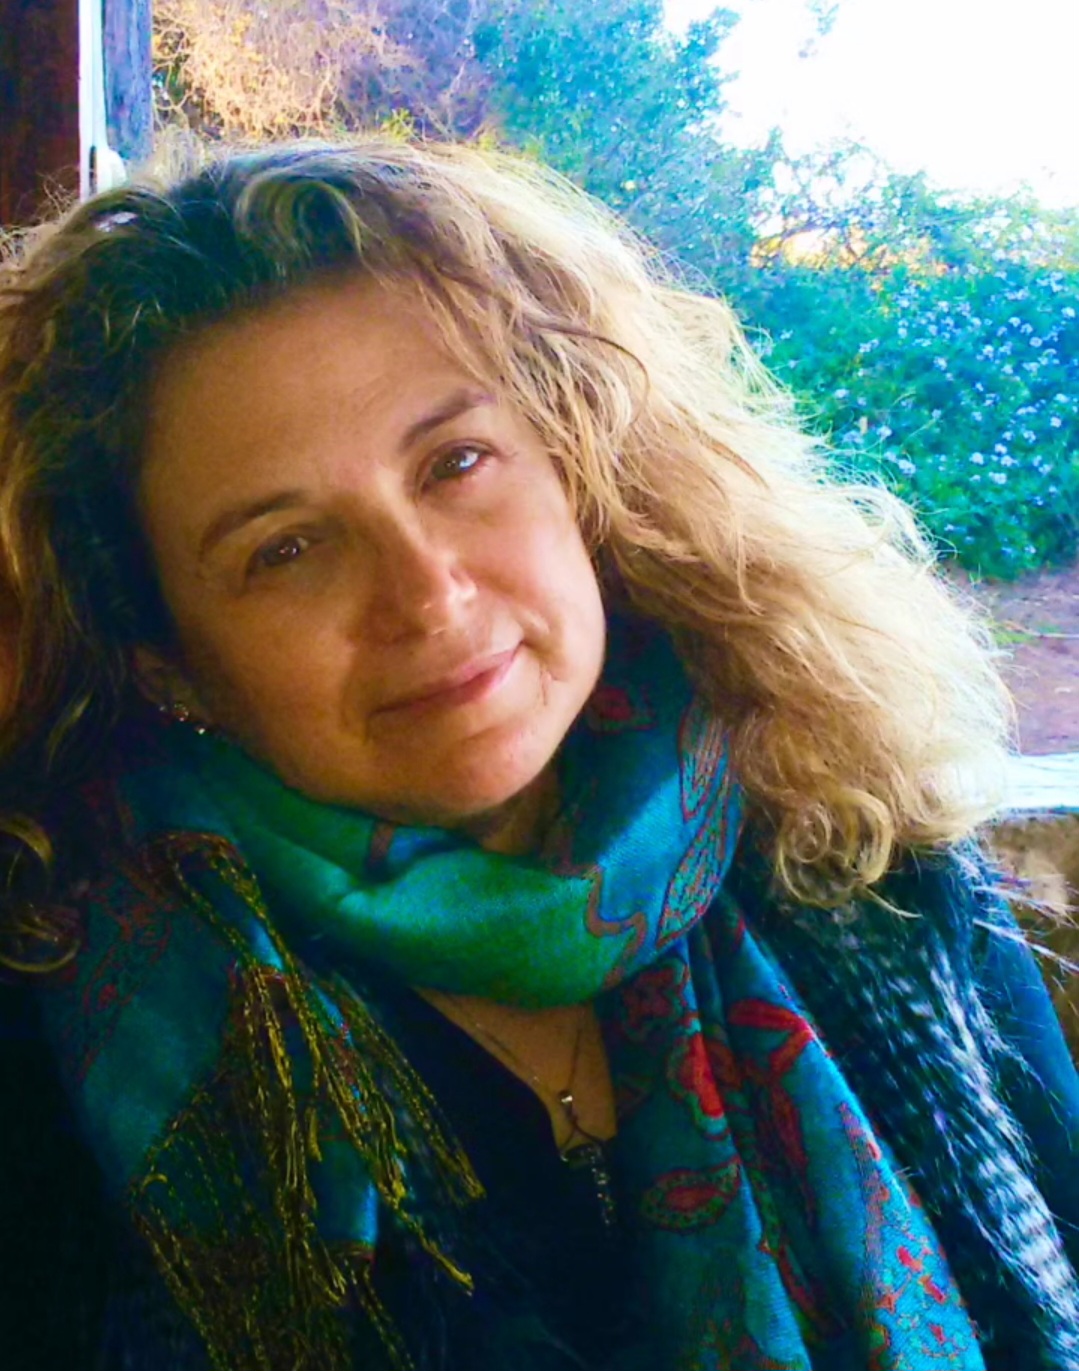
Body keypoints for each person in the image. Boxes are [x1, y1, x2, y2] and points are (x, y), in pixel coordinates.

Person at [0, 138, 1076, 1371]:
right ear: (165, 663)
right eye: (284, 548)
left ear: (579, 468)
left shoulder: (867, 858)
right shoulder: (63, 1040)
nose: (426, 594)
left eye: (454, 464)